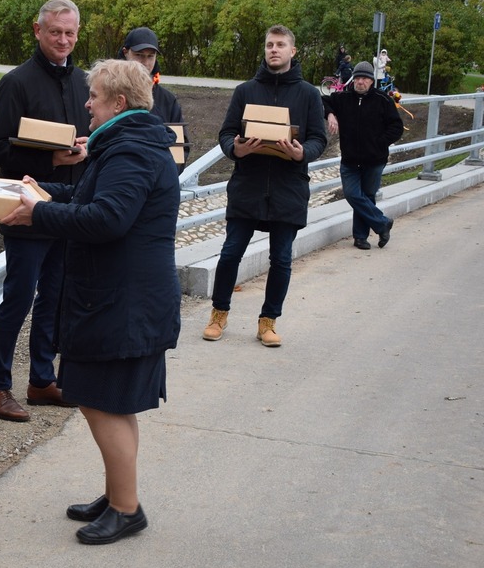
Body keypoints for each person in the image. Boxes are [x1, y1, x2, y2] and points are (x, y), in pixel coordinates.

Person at [0, 59, 180, 544]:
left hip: (123, 304)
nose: (86, 104)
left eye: (94, 97)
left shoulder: (131, 150)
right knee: (112, 405)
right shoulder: (127, 143)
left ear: (118, 103)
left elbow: (106, 218)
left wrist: (39, 213)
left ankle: (126, 509)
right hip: (122, 300)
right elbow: (88, 196)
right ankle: (119, 493)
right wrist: (43, 192)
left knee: (103, 405)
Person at [0, 0, 91, 422]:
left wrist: (86, 147)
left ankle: (42, 380)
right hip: (26, 207)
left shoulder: (83, 82)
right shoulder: (16, 83)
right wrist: (50, 160)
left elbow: (92, 134)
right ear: (37, 30)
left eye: (70, 33)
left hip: (69, 208)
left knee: (55, 298)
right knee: (19, 297)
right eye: (55, 32)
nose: (63, 40)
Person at [202, 25, 327, 347]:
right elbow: (226, 133)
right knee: (230, 254)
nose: (274, 49)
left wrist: (302, 153)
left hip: (289, 188)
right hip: (248, 186)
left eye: (280, 45)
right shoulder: (245, 91)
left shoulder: (309, 94)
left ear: (292, 51)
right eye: (270, 44)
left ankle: (268, 322)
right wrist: (236, 149)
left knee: (281, 260)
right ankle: (218, 314)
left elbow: (319, 139)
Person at [322, 61, 404, 250]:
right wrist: (331, 114)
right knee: (352, 194)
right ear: (353, 80)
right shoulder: (342, 98)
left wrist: (379, 143)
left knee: (367, 196)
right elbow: (322, 100)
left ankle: (360, 237)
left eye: (365, 79)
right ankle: (382, 223)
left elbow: (396, 127)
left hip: (375, 160)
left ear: (371, 81)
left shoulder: (383, 100)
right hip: (350, 160)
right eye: (358, 78)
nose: (360, 82)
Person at [119, 26, 190, 173]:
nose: (145, 62)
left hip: (158, 180)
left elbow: (181, 149)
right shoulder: (109, 92)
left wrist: (163, 175)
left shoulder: (168, 100)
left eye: (150, 56)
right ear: (126, 52)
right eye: (139, 55)